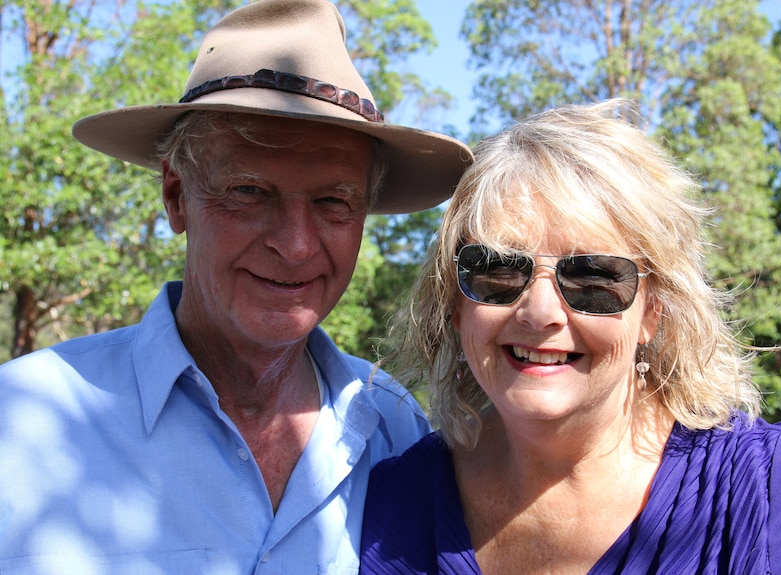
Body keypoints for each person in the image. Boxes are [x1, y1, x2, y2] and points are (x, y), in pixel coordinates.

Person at [0, 0, 472, 572]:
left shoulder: (394, 427)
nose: (296, 244)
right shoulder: (24, 418)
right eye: (249, 192)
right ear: (176, 197)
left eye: (333, 202)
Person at [359, 100, 781, 574]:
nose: (539, 313)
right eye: (497, 271)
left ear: (654, 309)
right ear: (455, 304)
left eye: (593, 278)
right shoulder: (390, 507)